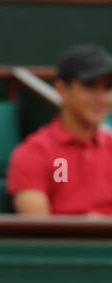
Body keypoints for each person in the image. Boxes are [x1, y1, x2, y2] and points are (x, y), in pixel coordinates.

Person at [8, 43, 112, 216]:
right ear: (62, 90)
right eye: (89, 86)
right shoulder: (33, 152)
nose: (101, 98)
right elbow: (38, 229)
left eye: (108, 88)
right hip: (68, 242)